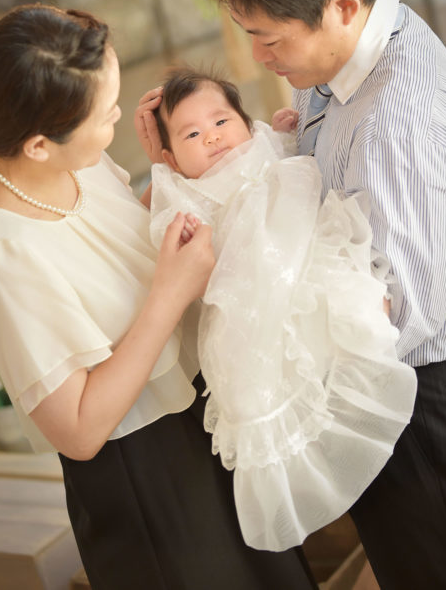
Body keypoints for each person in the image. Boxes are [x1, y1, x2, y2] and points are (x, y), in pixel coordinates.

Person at [0, 4, 319, 590]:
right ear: (41, 144)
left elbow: (120, 258)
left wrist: (170, 172)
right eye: (105, 114)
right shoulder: (2, 250)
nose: (119, 118)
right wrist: (169, 297)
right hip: (151, 484)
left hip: (206, 425)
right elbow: (77, 429)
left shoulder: (79, 164)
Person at [195, 0, 446, 588]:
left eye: (267, 38)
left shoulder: (396, 116)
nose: (258, 58)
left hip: (424, 399)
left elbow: (400, 309)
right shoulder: (335, 61)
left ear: (341, 5)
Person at [143, 65, 416, 553]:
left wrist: (288, 135)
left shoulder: (268, 143)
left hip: (303, 264)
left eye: (222, 121)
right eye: (192, 133)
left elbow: (294, 158)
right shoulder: (182, 192)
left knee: (344, 304)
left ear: (245, 122)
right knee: (260, 376)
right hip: (249, 298)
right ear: (170, 158)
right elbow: (166, 226)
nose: (213, 138)